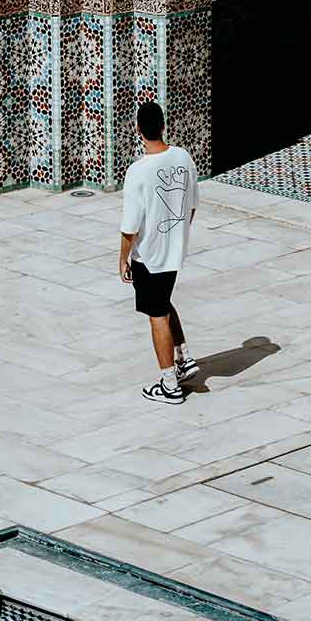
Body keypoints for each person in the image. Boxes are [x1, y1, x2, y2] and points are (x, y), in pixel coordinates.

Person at [119, 101, 200, 405]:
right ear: (164, 126)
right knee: (163, 303)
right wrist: (179, 237)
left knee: (156, 316)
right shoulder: (183, 157)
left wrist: (123, 258)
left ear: (138, 130)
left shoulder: (138, 171)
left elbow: (130, 225)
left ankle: (170, 385)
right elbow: (191, 204)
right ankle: (184, 358)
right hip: (174, 251)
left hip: (149, 256)